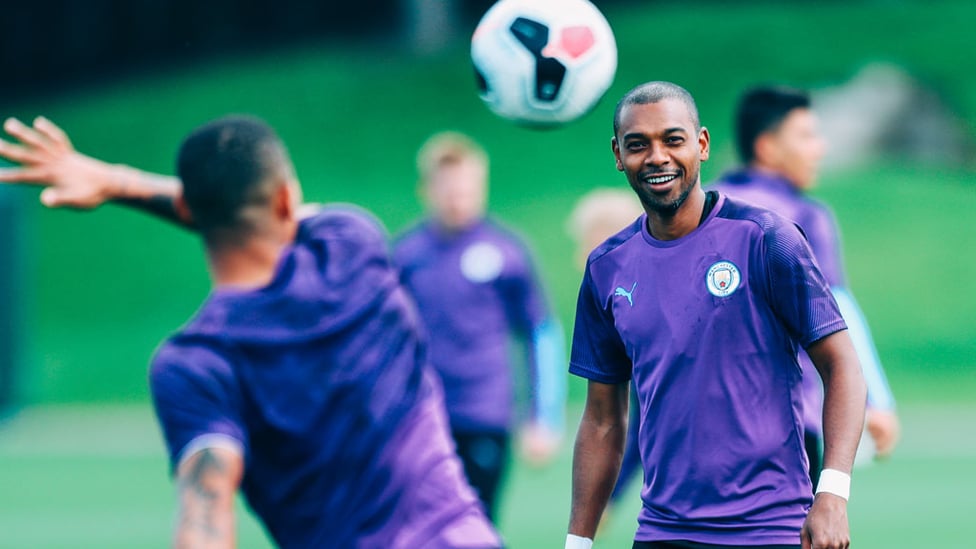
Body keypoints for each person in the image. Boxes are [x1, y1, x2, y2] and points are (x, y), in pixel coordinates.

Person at [0, 115, 503, 549]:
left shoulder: (196, 362)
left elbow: (207, 521)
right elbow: (252, 212)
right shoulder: (353, 243)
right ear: (286, 198)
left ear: (187, 212)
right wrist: (121, 181)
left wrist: (117, 183)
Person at [564, 82, 867, 549]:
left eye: (673, 139)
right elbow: (603, 418)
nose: (657, 156)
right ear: (618, 155)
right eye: (638, 144)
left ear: (701, 145)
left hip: (771, 529)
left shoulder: (767, 239)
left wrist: (832, 494)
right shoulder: (607, 268)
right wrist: (578, 541)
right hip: (663, 532)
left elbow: (842, 364)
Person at [710, 85, 900, 479]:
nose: (820, 149)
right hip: (789, 428)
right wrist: (875, 399)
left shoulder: (705, 207)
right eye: (807, 136)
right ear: (767, 147)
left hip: (707, 427)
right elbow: (837, 307)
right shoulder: (804, 216)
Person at [393, 131, 565, 521]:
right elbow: (386, 343)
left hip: (486, 415)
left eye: (468, 189)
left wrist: (544, 416)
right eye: (450, 190)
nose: (459, 199)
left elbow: (541, 332)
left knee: (475, 524)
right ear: (427, 190)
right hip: (423, 418)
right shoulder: (406, 256)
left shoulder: (507, 251)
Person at [565, 188, 644, 526]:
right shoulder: (621, 303)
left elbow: (642, 426)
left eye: (584, 242)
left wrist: (610, 495)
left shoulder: (639, 311)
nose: (577, 257)